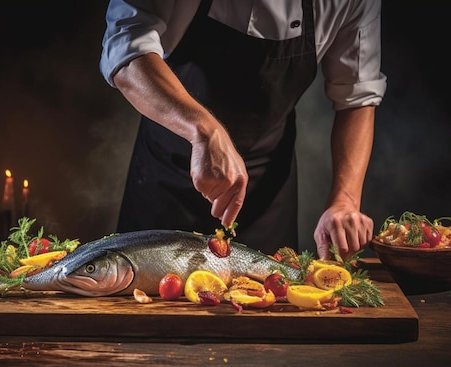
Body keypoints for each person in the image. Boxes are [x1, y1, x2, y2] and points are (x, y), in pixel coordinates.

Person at [99, 0, 387, 260]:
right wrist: (205, 130)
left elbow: (357, 96)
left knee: (265, 311)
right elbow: (126, 49)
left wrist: (345, 200)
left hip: (266, 196)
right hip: (164, 181)